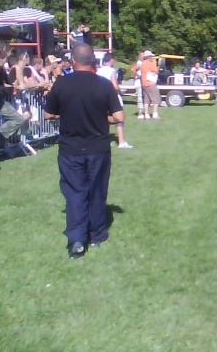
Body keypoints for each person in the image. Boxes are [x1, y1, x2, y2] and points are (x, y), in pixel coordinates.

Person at [43, 43, 125, 258]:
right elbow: (119, 117)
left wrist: (64, 114)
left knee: (75, 192)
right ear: (93, 62)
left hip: (70, 148)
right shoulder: (104, 85)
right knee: (97, 190)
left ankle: (77, 240)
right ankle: (97, 233)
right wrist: (101, 117)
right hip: (98, 147)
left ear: (73, 61)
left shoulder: (61, 84)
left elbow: (47, 114)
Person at [97, 53, 132, 149]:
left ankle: (105, 140)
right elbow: (114, 85)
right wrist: (121, 91)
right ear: (111, 59)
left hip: (101, 97)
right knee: (119, 119)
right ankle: (121, 142)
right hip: (112, 97)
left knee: (104, 118)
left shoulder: (99, 71)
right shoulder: (112, 71)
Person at [139, 50, 160, 119]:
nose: (152, 57)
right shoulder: (150, 63)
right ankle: (155, 114)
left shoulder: (142, 64)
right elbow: (156, 71)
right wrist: (154, 63)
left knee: (146, 100)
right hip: (151, 83)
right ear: (148, 57)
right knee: (156, 99)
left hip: (144, 83)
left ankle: (146, 114)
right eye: (151, 56)